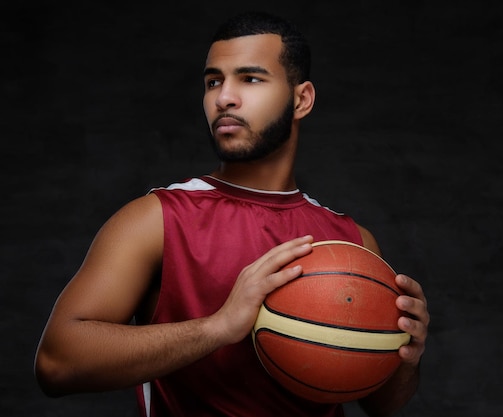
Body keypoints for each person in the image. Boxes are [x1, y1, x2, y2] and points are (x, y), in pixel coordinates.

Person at [34, 10, 429, 417]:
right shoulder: (154, 219)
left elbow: (382, 404)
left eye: (250, 78)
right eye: (213, 81)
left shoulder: (352, 242)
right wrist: (218, 327)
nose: (224, 97)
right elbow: (56, 364)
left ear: (301, 99)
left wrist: (406, 355)